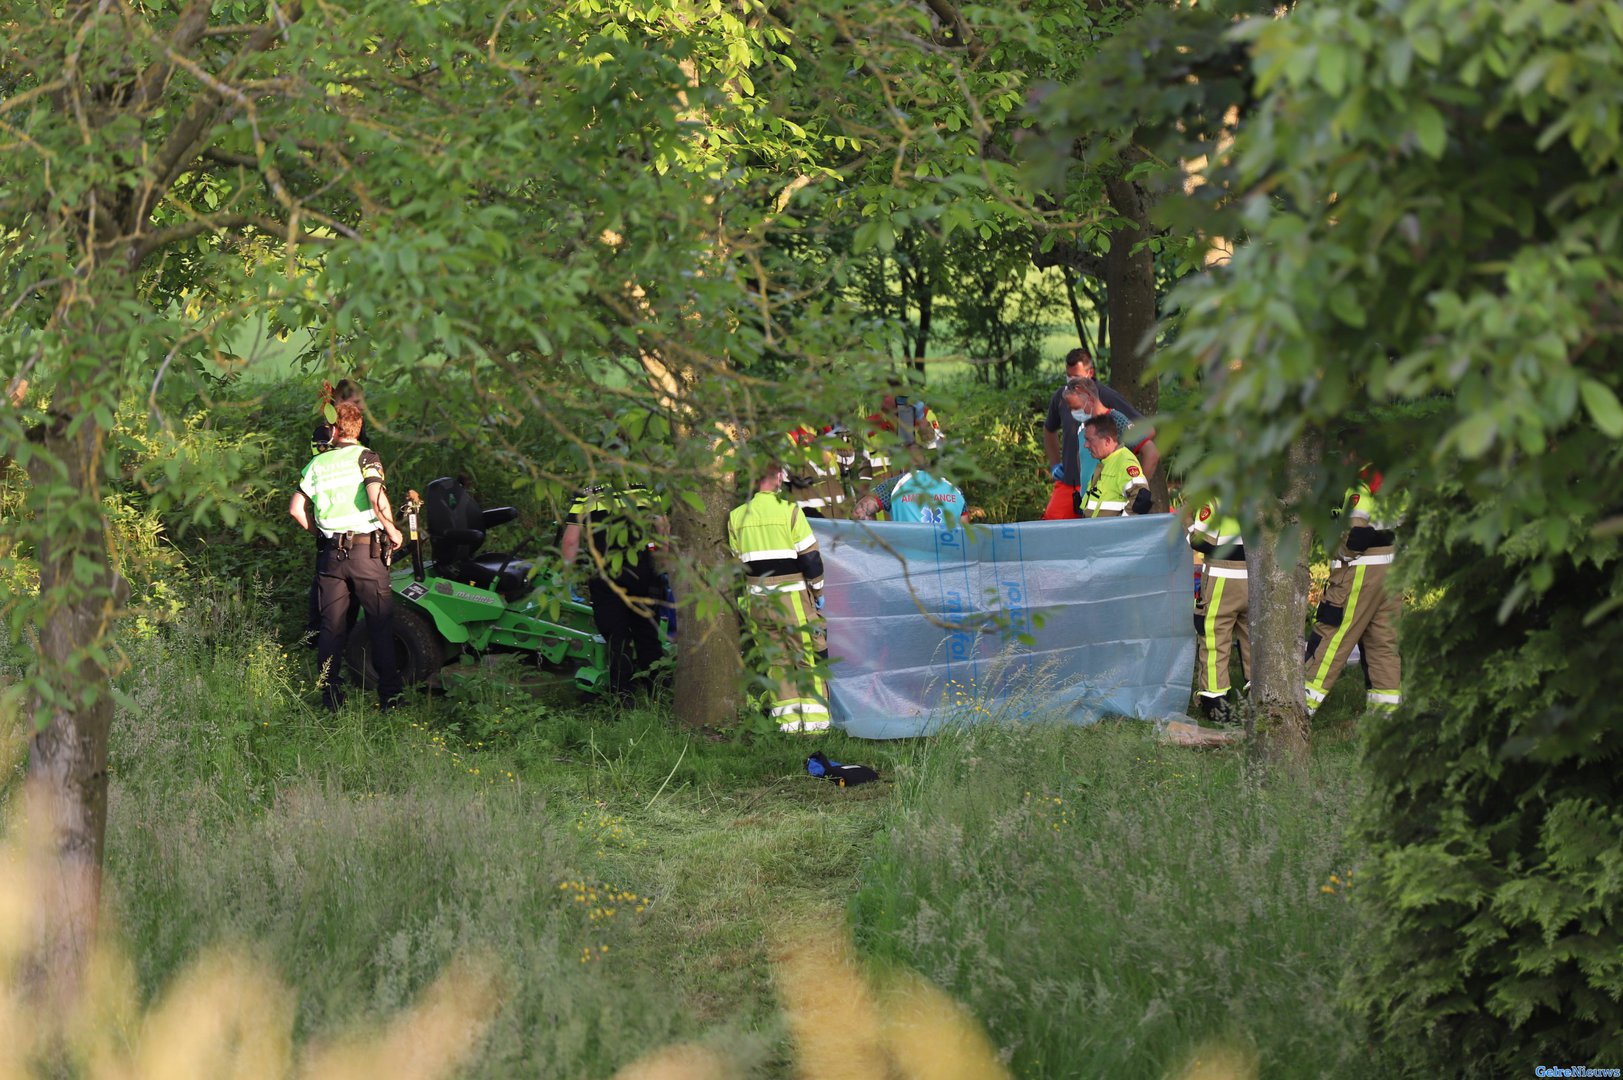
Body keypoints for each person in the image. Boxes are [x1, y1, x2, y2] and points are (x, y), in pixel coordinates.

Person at [288, 400, 404, 710]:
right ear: (357, 428)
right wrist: (393, 531)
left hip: (331, 557)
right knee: (379, 623)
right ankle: (390, 698)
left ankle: (331, 699)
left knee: (332, 627)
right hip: (367, 553)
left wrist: (320, 532)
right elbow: (376, 499)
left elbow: (296, 510)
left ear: (336, 429)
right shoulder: (367, 458)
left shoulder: (317, 464)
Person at [729, 462, 830, 733]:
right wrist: (818, 591)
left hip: (758, 600)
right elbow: (810, 559)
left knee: (778, 662)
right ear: (776, 478)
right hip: (793, 598)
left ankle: (788, 725)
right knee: (805, 656)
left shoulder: (736, 517)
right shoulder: (790, 511)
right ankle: (815, 725)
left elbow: (739, 563)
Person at [1304, 470, 1402, 716]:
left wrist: (1339, 553)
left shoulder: (1362, 482)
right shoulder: (1397, 477)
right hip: (1392, 569)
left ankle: (1300, 708)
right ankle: (1384, 717)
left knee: (1332, 635)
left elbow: (1357, 536)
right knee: (1383, 641)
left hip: (1360, 571)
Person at [561, 479, 667, 699]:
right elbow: (662, 528)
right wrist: (661, 562)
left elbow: (571, 541)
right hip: (642, 572)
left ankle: (622, 698)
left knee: (616, 638)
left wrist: (567, 577)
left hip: (604, 574)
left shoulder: (586, 493)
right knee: (648, 633)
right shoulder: (645, 486)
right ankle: (658, 692)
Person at [1042, 349, 1155, 519]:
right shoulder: (1083, 423)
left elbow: (1150, 450)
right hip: (1084, 497)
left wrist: (1137, 495)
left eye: (1074, 407)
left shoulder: (1114, 415)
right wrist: (1056, 465)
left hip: (1112, 503)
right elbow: (1081, 455)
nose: (1072, 412)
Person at [305, 379, 366, 640]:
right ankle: (317, 635)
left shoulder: (362, 433)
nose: (361, 408)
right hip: (331, 520)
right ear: (340, 404)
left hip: (357, 522)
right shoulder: (325, 434)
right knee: (325, 585)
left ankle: (347, 634)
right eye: (356, 403)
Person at [1187, 500, 1249, 726]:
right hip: (1254, 579)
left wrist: (1189, 530)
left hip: (1223, 578)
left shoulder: (1214, 498)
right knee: (1252, 639)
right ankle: (1258, 695)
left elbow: (1202, 540)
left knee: (1214, 637)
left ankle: (1215, 700)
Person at [852, 450, 966, 526]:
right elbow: (964, 534)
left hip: (906, 559)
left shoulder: (895, 485)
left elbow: (859, 513)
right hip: (945, 559)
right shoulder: (955, 490)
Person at [1078, 413, 1151, 517]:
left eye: (1090, 440)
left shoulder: (1125, 461)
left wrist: (1120, 527)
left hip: (1111, 532)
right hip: (1096, 530)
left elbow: (1142, 499)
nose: (1086, 445)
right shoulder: (1105, 462)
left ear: (1107, 441)